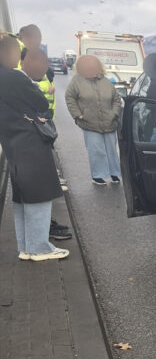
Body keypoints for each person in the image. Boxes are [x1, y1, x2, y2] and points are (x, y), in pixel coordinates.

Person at [0, 44, 69, 261]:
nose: (18, 58)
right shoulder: (14, 77)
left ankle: (26, 247)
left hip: (11, 140)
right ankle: (40, 247)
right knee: (40, 194)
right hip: (29, 141)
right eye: (15, 54)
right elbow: (40, 102)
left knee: (22, 197)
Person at [64, 55, 122, 186]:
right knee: (96, 150)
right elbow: (70, 98)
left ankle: (114, 173)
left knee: (111, 150)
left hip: (109, 122)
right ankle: (98, 176)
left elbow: (116, 99)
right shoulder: (76, 81)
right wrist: (77, 114)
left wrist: (114, 113)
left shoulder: (106, 81)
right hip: (89, 123)